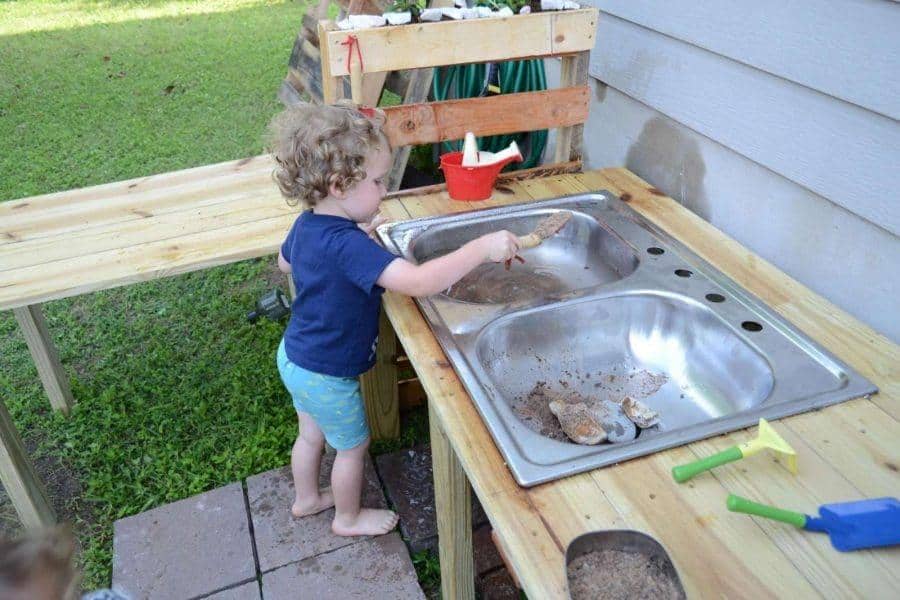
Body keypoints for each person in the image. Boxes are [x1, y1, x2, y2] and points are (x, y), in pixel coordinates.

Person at [270, 102, 519, 536]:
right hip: (327, 374)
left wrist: (351, 245)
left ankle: (306, 499)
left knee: (310, 435)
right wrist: (482, 247)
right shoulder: (350, 247)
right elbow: (420, 282)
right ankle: (347, 518)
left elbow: (285, 264)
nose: (385, 190)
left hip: (294, 357)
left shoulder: (308, 224)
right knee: (352, 446)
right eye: (378, 181)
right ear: (339, 185)